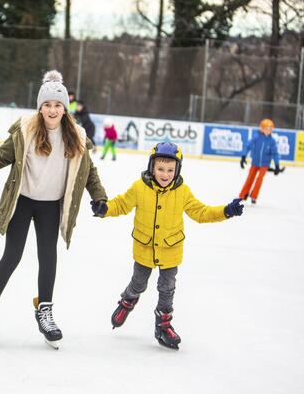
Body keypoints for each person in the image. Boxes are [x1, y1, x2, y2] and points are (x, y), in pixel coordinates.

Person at [0, 70, 107, 348]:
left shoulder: (76, 135)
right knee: (12, 255)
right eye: (47, 104)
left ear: (65, 108)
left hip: (51, 206)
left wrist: (99, 197)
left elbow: (89, 172)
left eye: (58, 105)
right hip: (23, 201)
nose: (52, 110)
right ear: (40, 107)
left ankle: (45, 311)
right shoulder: (26, 130)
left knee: (48, 258)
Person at [92, 142, 244, 350]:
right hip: (144, 248)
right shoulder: (139, 187)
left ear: (177, 170)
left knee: (167, 288)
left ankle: (163, 325)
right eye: (160, 169)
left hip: (171, 250)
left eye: (170, 170)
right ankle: (127, 301)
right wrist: (104, 209)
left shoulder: (182, 192)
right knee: (139, 283)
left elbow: (201, 213)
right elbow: (121, 205)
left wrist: (226, 211)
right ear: (152, 167)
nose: (165, 174)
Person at [238, 119, 281, 204]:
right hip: (255, 163)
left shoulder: (271, 141)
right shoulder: (256, 137)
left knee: (259, 179)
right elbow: (247, 146)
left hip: (265, 164)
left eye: (270, 129)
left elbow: (275, 154)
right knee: (250, 178)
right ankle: (243, 194)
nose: (268, 131)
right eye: (266, 128)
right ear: (261, 128)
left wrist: (277, 165)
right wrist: (243, 157)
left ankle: (254, 196)